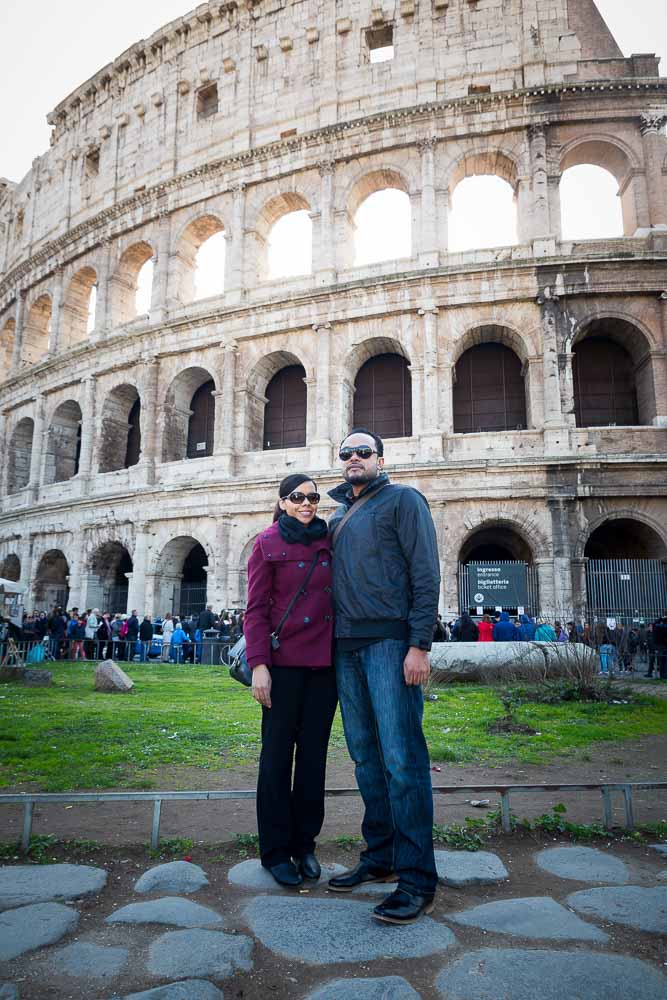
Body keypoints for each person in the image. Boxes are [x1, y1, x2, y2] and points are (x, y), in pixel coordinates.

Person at [326, 429, 440, 925]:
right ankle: (381, 856)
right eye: (346, 453)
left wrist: (419, 644)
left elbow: (425, 573)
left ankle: (417, 879)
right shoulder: (334, 515)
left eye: (363, 452)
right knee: (366, 758)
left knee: (402, 759)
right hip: (345, 647)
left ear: (381, 459)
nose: (354, 458)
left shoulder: (403, 500)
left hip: (391, 644)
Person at [245, 472, 337, 889]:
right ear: (282, 502)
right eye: (297, 497)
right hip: (281, 666)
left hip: (323, 665)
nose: (306, 504)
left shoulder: (329, 539)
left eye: (313, 498)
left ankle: (306, 845)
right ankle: (276, 850)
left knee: (314, 759)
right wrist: (259, 664)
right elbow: (255, 611)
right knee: (277, 758)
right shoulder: (266, 543)